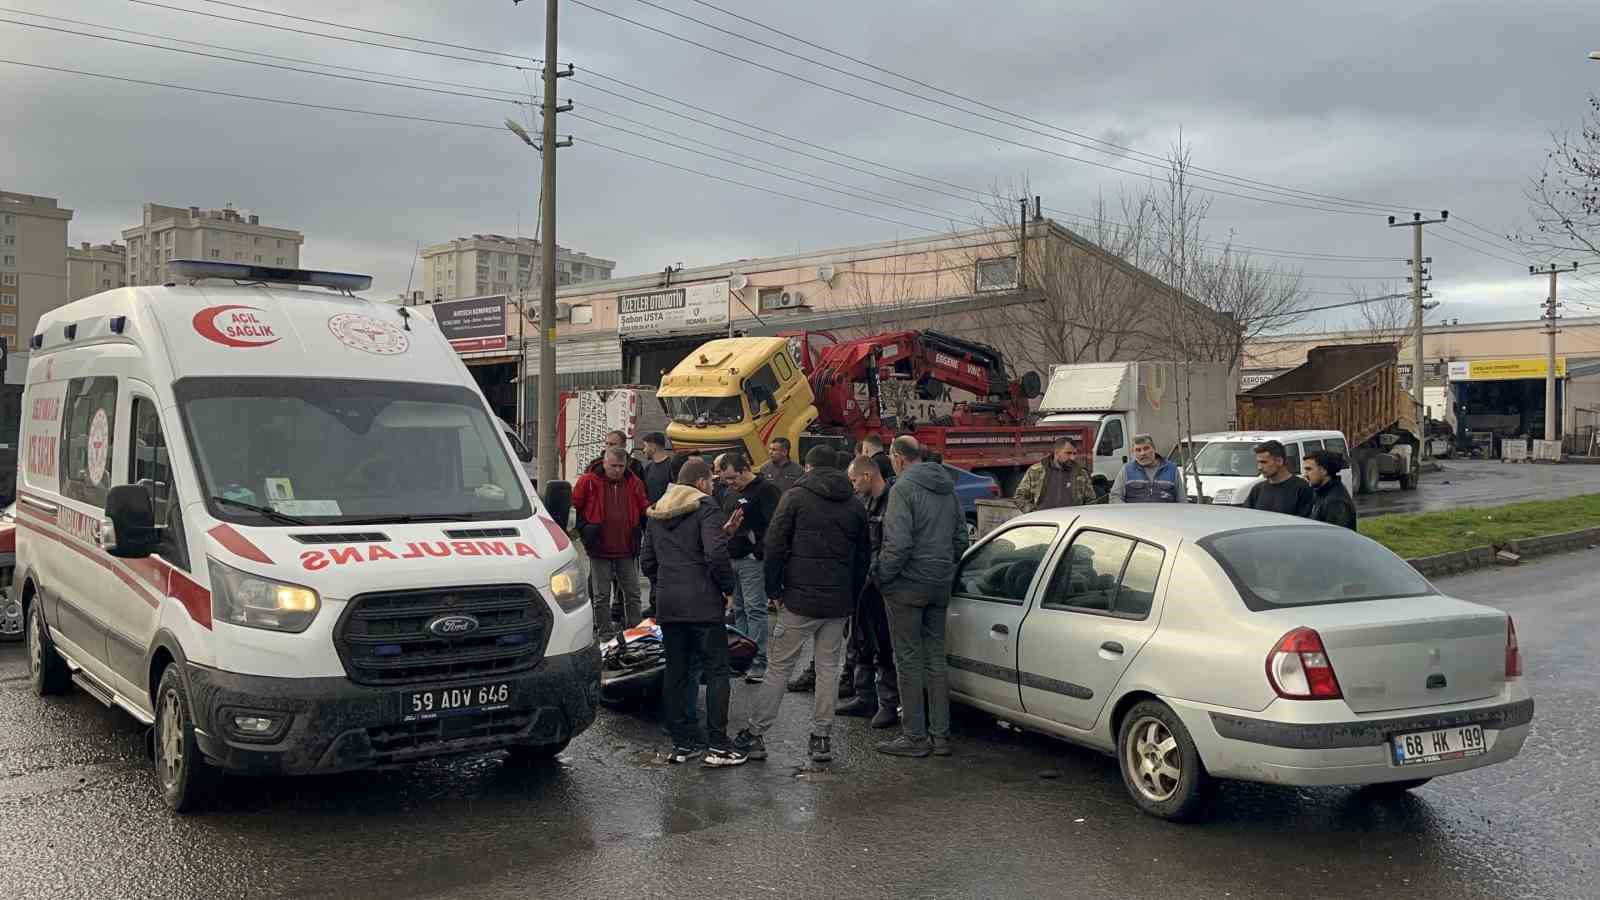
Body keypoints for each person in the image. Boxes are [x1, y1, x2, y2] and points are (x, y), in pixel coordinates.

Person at [734, 446, 868, 764]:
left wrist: (774, 589)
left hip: (798, 599)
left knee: (779, 667)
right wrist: (851, 596)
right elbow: (864, 555)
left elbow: (775, 544)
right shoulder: (854, 504)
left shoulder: (795, 497)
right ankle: (821, 738)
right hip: (837, 603)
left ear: (808, 467)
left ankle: (755, 734)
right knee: (828, 670)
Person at [640, 458, 746, 767]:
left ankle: (683, 743)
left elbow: (648, 560)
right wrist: (727, 587)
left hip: (670, 604)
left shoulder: (658, 509)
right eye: (710, 482)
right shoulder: (706, 507)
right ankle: (718, 744)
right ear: (700, 483)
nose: (712, 486)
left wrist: (665, 584)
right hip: (703, 605)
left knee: (676, 670)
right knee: (716, 671)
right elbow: (713, 554)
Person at [875, 436, 968, 758]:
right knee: (935, 659)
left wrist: (881, 575)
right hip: (939, 583)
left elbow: (897, 544)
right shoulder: (949, 488)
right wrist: (945, 569)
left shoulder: (902, 489)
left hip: (907, 585)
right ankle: (940, 736)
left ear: (899, 458)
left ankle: (915, 736)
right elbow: (960, 539)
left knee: (909, 660)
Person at [836, 455, 901, 729]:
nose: (851, 486)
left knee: (883, 645)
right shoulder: (862, 502)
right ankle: (864, 697)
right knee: (859, 639)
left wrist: (876, 575)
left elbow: (891, 545)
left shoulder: (892, 503)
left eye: (853, 480)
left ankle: (887, 702)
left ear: (867, 476)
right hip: (862, 583)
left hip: (880, 584)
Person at [714, 452, 782, 683]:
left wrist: (759, 551)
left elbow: (776, 524)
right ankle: (741, 657)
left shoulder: (765, 490)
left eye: (733, 478)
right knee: (739, 610)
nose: (731, 484)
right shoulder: (731, 492)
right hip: (732, 557)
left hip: (751, 560)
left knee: (755, 610)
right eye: (727, 480)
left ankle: (759, 661)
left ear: (744, 469)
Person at [571, 447, 650, 636]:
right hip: (600, 547)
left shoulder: (634, 483)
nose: (617, 470)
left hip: (626, 547)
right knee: (601, 595)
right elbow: (574, 506)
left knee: (633, 593)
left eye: (621, 466)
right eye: (613, 465)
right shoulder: (588, 481)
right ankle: (605, 632)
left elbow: (643, 507)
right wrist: (584, 530)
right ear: (604, 463)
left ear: (626, 465)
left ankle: (635, 631)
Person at [1014, 437, 1096, 512]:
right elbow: (1020, 497)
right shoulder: (1036, 471)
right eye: (1068, 453)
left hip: (1071, 523)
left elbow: (1091, 501)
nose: (1072, 458)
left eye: (1074, 454)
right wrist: (1033, 512)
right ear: (1056, 453)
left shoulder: (1081, 473)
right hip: (1044, 523)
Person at [1243, 440, 1315, 517]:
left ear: (1279, 461)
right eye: (1258, 462)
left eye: (1264, 462)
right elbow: (1247, 517)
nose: (1259, 467)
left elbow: (1305, 523)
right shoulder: (1258, 489)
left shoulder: (1302, 489)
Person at [1108, 434, 1187, 503]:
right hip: (1135, 519)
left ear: (1154, 449)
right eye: (1138, 450)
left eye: (1146, 448)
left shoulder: (1171, 470)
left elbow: (1182, 501)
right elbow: (1115, 497)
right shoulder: (1126, 470)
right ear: (1133, 452)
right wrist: (1128, 513)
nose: (1143, 453)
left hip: (1165, 518)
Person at [1304, 449, 1358, 530]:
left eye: (1309, 469)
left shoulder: (1336, 502)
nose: (1305, 475)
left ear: (1323, 471)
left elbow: (1338, 537)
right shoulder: (1320, 493)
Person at [640, 432, 684, 505]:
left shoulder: (672, 467)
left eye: (645, 446)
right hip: (651, 513)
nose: (643, 450)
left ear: (653, 447)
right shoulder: (648, 468)